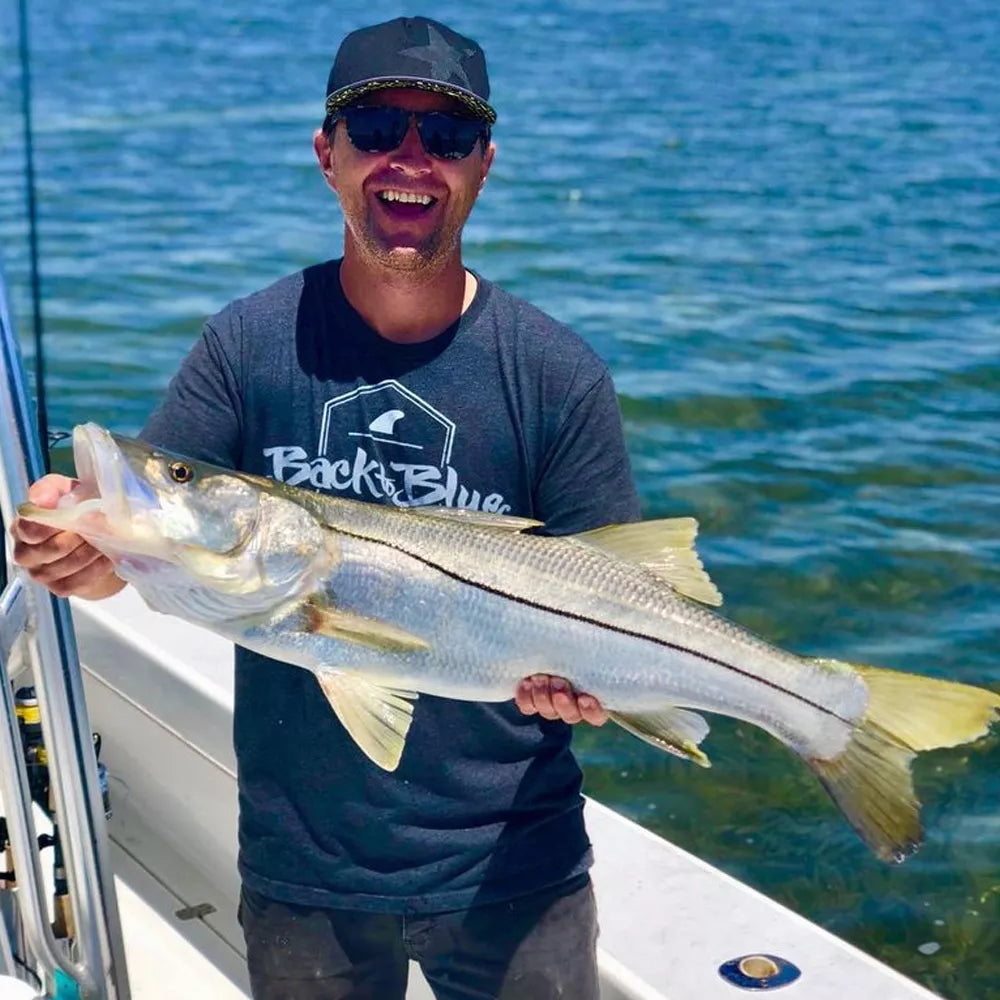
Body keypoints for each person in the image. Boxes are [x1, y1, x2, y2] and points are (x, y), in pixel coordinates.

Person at [12, 16, 641, 1000]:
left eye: (446, 136)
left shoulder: (554, 373)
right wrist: (86, 545)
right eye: (378, 125)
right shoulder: (247, 346)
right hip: (303, 868)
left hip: (519, 868)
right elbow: (152, 533)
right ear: (327, 154)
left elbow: (620, 589)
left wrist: (603, 683)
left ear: (483, 164)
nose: (410, 159)